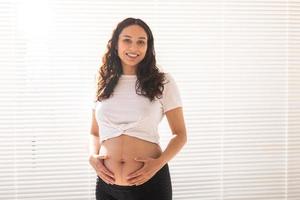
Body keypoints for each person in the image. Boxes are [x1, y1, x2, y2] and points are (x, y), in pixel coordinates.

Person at [88, 17, 187, 200]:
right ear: (116, 44)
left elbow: (180, 134)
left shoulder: (162, 81)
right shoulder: (103, 81)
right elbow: (95, 132)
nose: (134, 48)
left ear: (148, 47)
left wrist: (158, 164)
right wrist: (92, 157)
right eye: (127, 40)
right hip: (106, 186)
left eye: (141, 42)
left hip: (150, 184)